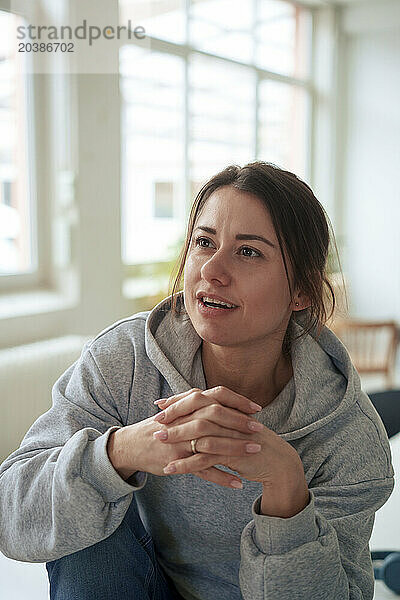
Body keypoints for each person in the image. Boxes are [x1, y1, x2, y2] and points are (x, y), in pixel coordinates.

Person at [0, 161, 394, 600]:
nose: (212, 271)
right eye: (204, 242)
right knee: (84, 516)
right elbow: (11, 516)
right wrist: (119, 452)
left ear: (301, 291)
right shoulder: (126, 360)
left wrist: (287, 490)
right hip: (138, 584)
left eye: (248, 252)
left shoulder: (349, 437)